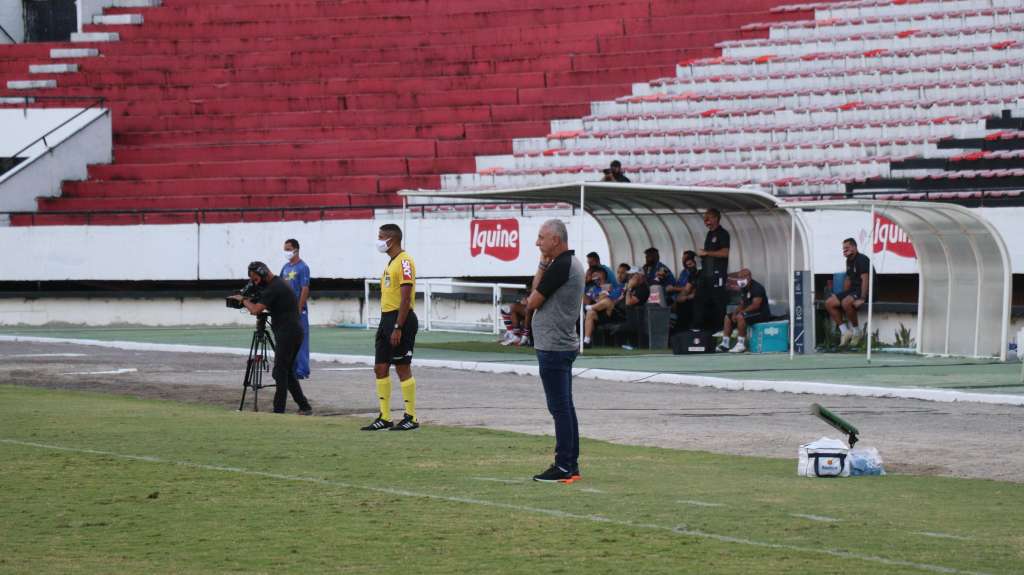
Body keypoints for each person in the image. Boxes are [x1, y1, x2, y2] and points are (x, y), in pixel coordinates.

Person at [527, 219, 586, 483]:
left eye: (542, 238)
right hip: (560, 343)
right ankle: (569, 463)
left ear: (556, 240)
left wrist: (542, 265)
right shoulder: (567, 264)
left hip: (554, 346)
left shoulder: (561, 266)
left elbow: (533, 300)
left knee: (559, 407)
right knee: (565, 406)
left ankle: (564, 465)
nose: (538, 243)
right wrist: (543, 262)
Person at [362, 224, 420, 431]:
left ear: (391, 239)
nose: (378, 241)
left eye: (380, 237)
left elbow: (406, 297)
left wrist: (398, 326)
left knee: (402, 367)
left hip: (400, 320)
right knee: (380, 367)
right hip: (386, 319)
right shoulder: (391, 262)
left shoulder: (405, 261)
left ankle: (411, 417)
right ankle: (385, 417)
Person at [235, 261, 312, 415]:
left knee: (279, 372)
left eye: (256, 279)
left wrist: (243, 300)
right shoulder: (277, 284)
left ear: (263, 274)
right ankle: (304, 406)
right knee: (287, 372)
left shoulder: (274, 287)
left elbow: (256, 310)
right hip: (293, 332)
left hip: (288, 333)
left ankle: (279, 410)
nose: (255, 283)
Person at [826, 237, 871, 347]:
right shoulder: (848, 261)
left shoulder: (862, 259)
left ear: (854, 247)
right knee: (829, 302)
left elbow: (866, 279)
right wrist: (840, 296)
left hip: (864, 291)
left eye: (847, 248)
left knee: (846, 302)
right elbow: (848, 279)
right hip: (853, 291)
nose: (844, 250)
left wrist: (862, 298)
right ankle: (845, 332)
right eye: (843, 248)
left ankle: (857, 332)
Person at [691, 208, 730, 331]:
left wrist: (706, 253)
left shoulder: (723, 233)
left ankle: (720, 330)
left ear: (715, 218)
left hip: (717, 275)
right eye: (704, 219)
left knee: (718, 302)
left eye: (708, 218)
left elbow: (725, 253)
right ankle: (698, 329)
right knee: (700, 299)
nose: (705, 221)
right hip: (706, 274)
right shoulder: (709, 234)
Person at [717, 269, 771, 353]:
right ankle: (725, 343)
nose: (739, 280)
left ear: (748, 277)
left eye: (742, 277)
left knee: (740, 317)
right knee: (728, 317)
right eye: (739, 278)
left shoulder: (757, 288)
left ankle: (741, 344)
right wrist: (735, 313)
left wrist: (741, 312)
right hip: (749, 312)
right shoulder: (744, 288)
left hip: (761, 313)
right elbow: (742, 303)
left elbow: (755, 305)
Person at [280, 238, 311, 380]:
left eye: (288, 249)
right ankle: (291, 368)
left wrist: (299, 308)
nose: (286, 252)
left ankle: (302, 370)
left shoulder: (303, 267)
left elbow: (305, 289)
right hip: (285, 310)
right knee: (288, 340)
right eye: (284, 249)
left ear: (296, 250)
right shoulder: (285, 267)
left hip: (298, 310)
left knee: (301, 339)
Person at [667, 250, 699, 332]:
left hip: (694, 299)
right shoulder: (684, 272)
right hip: (683, 297)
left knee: (685, 305)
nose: (684, 262)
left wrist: (683, 296)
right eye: (684, 260)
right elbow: (684, 288)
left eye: (690, 264)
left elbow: (691, 289)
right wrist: (678, 298)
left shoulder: (699, 273)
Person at [499, 279, 533, 346]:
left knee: (518, 308)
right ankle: (513, 334)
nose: (527, 289)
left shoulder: (539, 290)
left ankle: (522, 335)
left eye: (529, 287)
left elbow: (533, 304)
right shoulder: (529, 293)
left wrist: (526, 303)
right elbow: (525, 301)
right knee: (506, 309)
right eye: (527, 288)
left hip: (537, 313)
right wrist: (522, 302)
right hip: (528, 312)